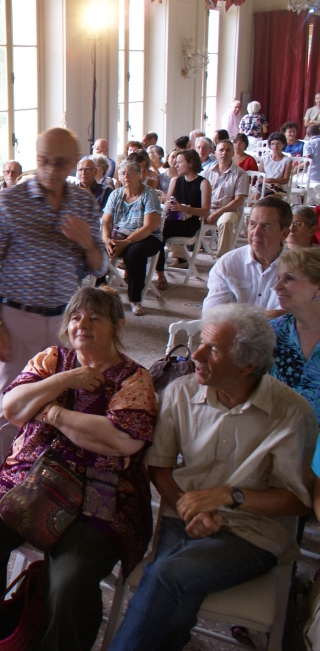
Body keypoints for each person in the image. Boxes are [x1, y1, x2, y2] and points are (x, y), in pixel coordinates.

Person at [0, 287, 157, 651]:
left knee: (70, 579)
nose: (81, 324)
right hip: (29, 475)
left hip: (103, 490)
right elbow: (12, 407)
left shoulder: (134, 378)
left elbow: (120, 440)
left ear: (118, 325)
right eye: (75, 316)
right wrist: (63, 382)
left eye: (95, 318)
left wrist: (51, 412)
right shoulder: (53, 360)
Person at [108, 304, 316, 651]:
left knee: (165, 574)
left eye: (213, 348)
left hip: (251, 533)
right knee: (174, 607)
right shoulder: (181, 393)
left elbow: (297, 498)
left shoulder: (292, 414)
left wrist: (227, 496)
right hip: (183, 516)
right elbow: (159, 466)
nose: (197, 354)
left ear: (248, 365)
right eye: (201, 342)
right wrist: (191, 509)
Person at [0, 127, 108, 473]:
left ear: (75, 163)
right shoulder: (10, 202)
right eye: (43, 162)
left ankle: (50, 483)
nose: (50, 170)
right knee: (9, 407)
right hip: (16, 318)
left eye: (60, 163)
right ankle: (0, 484)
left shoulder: (83, 203)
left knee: (65, 404)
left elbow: (100, 265)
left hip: (67, 321)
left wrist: (87, 243)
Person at [203, 196, 293, 314]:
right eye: (252, 224)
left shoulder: (298, 269)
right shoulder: (228, 263)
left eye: (266, 226)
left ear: (284, 233)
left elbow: (297, 319)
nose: (256, 232)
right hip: (232, 332)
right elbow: (212, 314)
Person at [102, 160, 163, 316]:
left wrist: (127, 242)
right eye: (123, 173)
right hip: (120, 234)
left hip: (147, 236)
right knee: (97, 247)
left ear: (139, 175)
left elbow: (150, 226)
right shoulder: (116, 194)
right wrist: (106, 239)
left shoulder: (149, 194)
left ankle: (135, 299)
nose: (126, 175)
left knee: (133, 253)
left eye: (131, 172)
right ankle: (100, 292)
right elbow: (106, 222)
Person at [271, 248, 320, 422]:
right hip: (275, 435)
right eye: (278, 279)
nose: (277, 287)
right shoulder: (271, 333)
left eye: (289, 278)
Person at [155, 149, 212, 290]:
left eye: (180, 162)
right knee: (156, 231)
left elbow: (205, 211)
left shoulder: (203, 183)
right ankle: (158, 270)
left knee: (159, 232)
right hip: (174, 219)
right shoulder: (175, 180)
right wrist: (170, 204)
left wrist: (184, 209)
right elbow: (168, 202)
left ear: (191, 164)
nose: (176, 165)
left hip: (190, 223)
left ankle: (159, 272)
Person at [204, 139, 250, 258]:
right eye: (221, 150)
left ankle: (222, 259)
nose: (224, 153)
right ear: (215, 153)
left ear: (233, 153)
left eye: (228, 150)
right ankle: (181, 256)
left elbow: (239, 200)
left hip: (229, 210)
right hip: (207, 208)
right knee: (181, 215)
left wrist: (219, 212)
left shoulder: (241, 174)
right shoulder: (207, 172)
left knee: (225, 222)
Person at [262, 132, 294, 197]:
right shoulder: (264, 158)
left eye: (278, 144)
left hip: (279, 186)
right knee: (254, 197)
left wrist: (272, 180)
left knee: (269, 198)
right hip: (265, 184)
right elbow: (260, 176)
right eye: (273, 144)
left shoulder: (287, 160)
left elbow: (285, 180)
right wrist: (267, 181)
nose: (275, 146)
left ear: (283, 145)